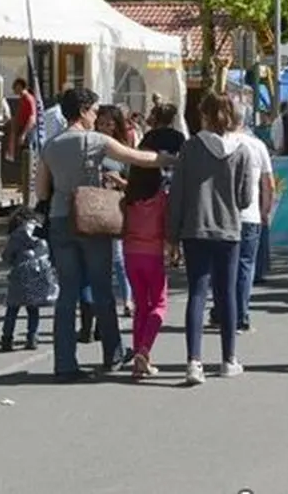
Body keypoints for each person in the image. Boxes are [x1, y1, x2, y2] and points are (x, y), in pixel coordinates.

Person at [36, 87, 172, 383]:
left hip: (60, 218)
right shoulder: (95, 140)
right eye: (95, 110)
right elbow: (138, 158)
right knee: (101, 288)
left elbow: (41, 190)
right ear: (83, 110)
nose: (97, 116)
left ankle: (64, 362)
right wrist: (169, 159)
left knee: (67, 292)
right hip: (91, 219)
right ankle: (112, 353)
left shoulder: (50, 145)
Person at [167, 92, 253, 386]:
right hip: (229, 229)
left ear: (203, 114)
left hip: (195, 228)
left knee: (197, 293)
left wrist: (171, 234)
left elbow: (176, 194)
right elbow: (245, 198)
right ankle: (229, 359)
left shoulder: (190, 148)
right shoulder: (242, 151)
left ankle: (194, 362)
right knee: (227, 294)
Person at [121, 106, 184, 378]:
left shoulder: (130, 199)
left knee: (140, 305)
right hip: (153, 252)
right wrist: (174, 249)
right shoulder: (161, 200)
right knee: (158, 304)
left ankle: (138, 353)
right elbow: (168, 228)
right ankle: (144, 349)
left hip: (130, 253)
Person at [225, 95, 274, 333]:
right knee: (246, 265)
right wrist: (265, 211)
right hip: (250, 214)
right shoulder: (257, 145)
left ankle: (224, 311)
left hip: (223, 215)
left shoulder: (220, 142)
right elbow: (269, 184)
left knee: (224, 267)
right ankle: (241, 316)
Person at [95, 105, 134, 321]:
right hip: (92, 205)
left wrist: (117, 180)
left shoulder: (121, 150)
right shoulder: (90, 146)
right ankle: (96, 302)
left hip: (114, 206)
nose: (104, 128)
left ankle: (127, 299)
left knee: (117, 257)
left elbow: (132, 184)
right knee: (96, 257)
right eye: (101, 124)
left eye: (109, 124)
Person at [0, 208, 55, 352]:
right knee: (33, 308)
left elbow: (7, 255)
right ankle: (32, 337)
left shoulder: (16, 235)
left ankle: (7, 338)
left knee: (12, 308)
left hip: (19, 273)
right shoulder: (40, 231)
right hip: (37, 273)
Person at [8, 78, 38, 206]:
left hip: (28, 132)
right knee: (23, 158)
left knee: (28, 157)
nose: (13, 90)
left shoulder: (28, 98)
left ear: (20, 86)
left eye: (15, 87)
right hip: (22, 130)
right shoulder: (22, 99)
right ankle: (23, 183)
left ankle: (28, 184)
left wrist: (24, 134)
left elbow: (32, 117)